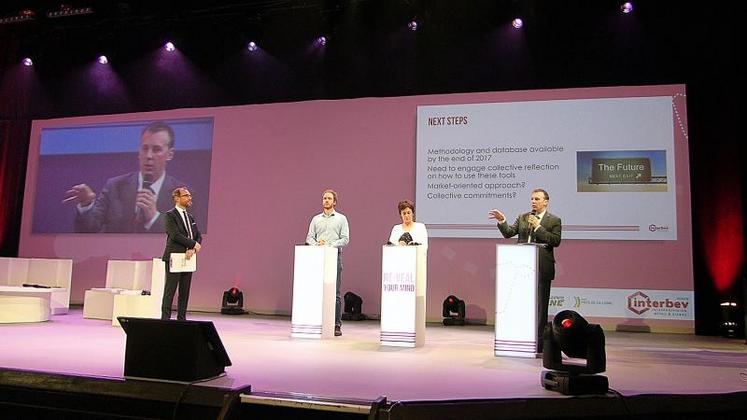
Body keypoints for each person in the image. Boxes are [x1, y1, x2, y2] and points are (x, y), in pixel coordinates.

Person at [64, 121, 187, 233]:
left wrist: (154, 218)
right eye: (145, 148)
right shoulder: (114, 186)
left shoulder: (183, 195)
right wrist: (86, 205)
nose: (149, 155)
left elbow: (186, 240)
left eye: (156, 149)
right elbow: (88, 230)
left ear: (170, 154)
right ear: (139, 152)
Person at [488, 188, 562, 352]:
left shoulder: (554, 220)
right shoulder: (523, 217)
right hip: (521, 269)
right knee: (521, 305)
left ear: (546, 202)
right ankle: (521, 339)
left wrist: (538, 227)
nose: (533, 202)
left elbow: (555, 241)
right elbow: (509, 233)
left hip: (542, 268)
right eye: (532, 199)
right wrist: (502, 221)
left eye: (537, 199)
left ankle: (540, 343)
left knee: (540, 308)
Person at [306, 189, 350, 336]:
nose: (326, 200)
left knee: (335, 293)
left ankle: (336, 325)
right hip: (317, 257)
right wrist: (317, 244)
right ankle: (318, 322)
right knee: (317, 291)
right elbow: (309, 238)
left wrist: (329, 244)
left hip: (334, 257)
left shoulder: (341, 219)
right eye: (324, 198)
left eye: (329, 198)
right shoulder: (316, 219)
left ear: (334, 202)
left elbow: (345, 238)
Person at [161, 187, 202, 321]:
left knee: (184, 292)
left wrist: (193, 248)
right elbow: (174, 235)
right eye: (186, 195)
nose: (189, 198)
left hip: (189, 257)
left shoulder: (190, 217)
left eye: (190, 195)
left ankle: (181, 319)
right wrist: (193, 244)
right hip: (175, 256)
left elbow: (197, 235)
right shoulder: (170, 215)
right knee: (170, 291)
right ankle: (165, 320)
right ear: (177, 198)